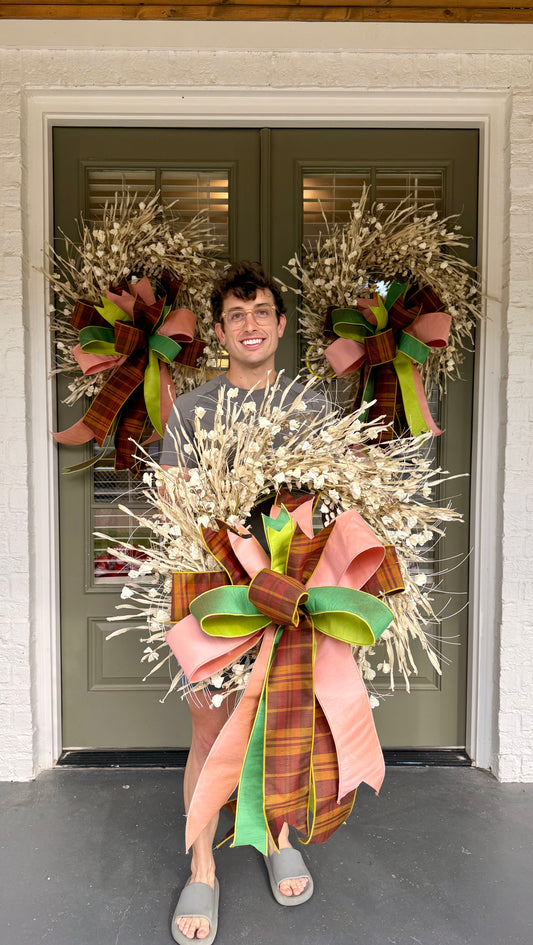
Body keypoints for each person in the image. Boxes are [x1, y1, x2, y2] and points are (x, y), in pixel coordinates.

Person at [160, 261, 328, 944]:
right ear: (220, 331)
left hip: (289, 590)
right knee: (210, 727)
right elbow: (171, 503)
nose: (250, 324)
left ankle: (276, 831)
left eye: (261, 311)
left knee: (279, 716)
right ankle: (202, 864)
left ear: (281, 325)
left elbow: (326, 505)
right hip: (210, 584)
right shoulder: (193, 407)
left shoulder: (310, 405)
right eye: (236, 315)